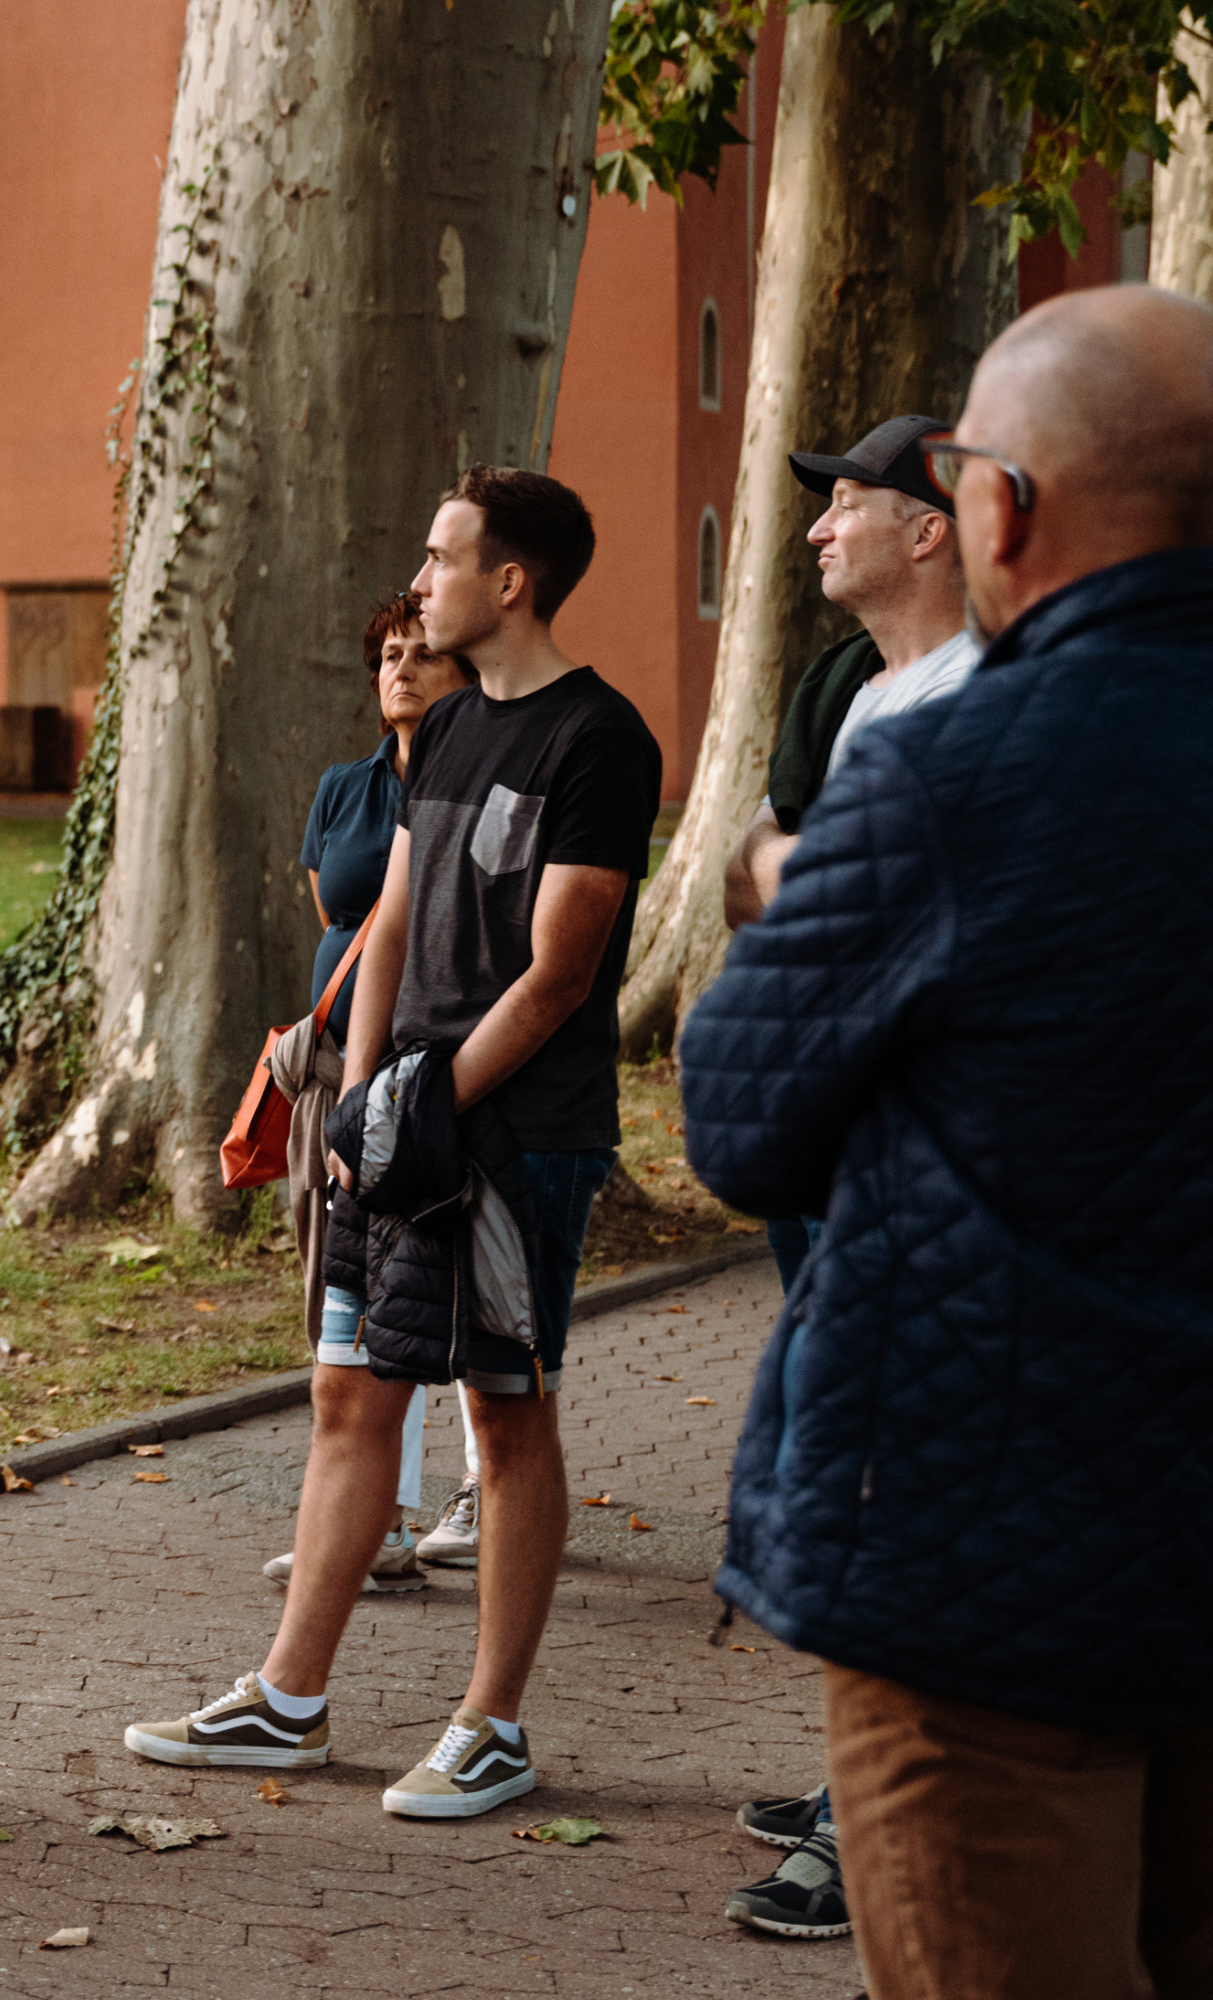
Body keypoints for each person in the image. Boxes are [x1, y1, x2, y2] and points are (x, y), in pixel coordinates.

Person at [682, 284, 1213, 2000]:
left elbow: (739, 1121)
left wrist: (792, 910)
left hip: (989, 1557)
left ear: (1009, 507)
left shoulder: (953, 772)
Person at [128, 466, 660, 1819]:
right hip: (400, 1124)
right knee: (348, 1395)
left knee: (504, 1410)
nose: (418, 584)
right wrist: (366, 1101)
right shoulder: (455, 727)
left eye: (439, 559)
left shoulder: (599, 740)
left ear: (509, 581)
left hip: (519, 1134)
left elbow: (558, 975)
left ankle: (493, 1726)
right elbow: (393, 927)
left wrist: (432, 1106)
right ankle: (289, 1700)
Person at [708, 413, 978, 1945]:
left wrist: (799, 882)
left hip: (910, 1155)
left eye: (849, 503)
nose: (818, 527)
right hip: (823, 1135)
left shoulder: (985, 701)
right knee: (841, 1454)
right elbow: (755, 873)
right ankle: (857, 1773)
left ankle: (876, 1822)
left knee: (884, 1468)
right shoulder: (852, 693)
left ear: (931, 529)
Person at [261, 594, 480, 1596]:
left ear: (463, 673)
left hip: (435, 1069)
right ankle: (375, 1516)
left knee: (439, 1282)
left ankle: (471, 1489)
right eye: (389, 654)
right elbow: (337, 913)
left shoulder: (473, 781)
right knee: (353, 1290)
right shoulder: (344, 789)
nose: (402, 669)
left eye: (423, 654)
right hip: (344, 1074)